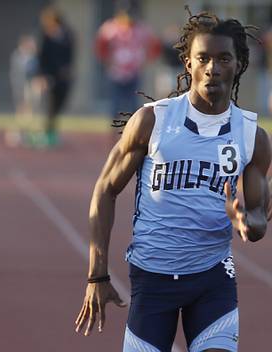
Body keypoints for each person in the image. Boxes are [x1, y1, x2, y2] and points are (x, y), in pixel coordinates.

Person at [75, 10, 270, 352]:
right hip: (152, 278)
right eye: (203, 58)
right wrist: (98, 274)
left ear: (238, 64)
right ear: (187, 63)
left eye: (224, 58)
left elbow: (257, 221)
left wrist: (245, 221)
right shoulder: (153, 121)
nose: (213, 68)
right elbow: (105, 188)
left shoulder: (253, 137)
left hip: (212, 278)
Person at [95, 5, 160, 130]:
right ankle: (114, 131)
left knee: (133, 104)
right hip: (116, 73)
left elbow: (155, 45)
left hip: (134, 72)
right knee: (115, 104)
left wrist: (146, 60)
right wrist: (107, 61)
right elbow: (100, 46)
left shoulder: (141, 29)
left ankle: (133, 129)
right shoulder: (110, 28)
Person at [35, 5, 74, 148]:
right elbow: (41, 57)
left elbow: (70, 55)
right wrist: (42, 76)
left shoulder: (67, 35)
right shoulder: (46, 37)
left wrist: (67, 70)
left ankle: (51, 131)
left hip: (63, 78)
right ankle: (47, 134)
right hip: (49, 77)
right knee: (49, 106)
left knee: (59, 105)